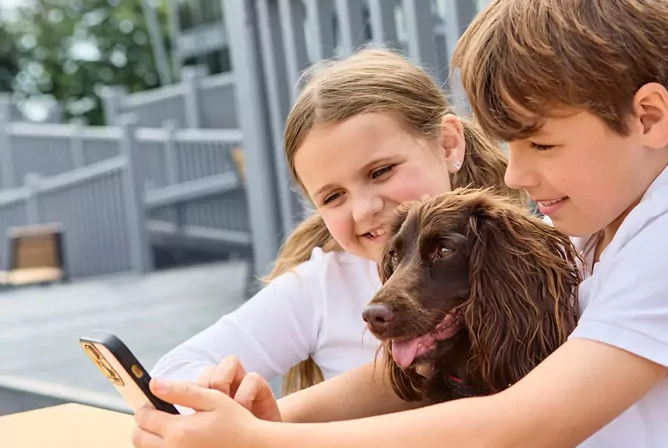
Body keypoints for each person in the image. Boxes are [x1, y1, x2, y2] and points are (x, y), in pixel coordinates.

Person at [131, 0, 668, 448]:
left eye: (542, 144)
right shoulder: (587, 234)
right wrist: (279, 420)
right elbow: (415, 367)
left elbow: (525, 424)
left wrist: (266, 447)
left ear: (647, 117)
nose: (518, 175)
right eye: (512, 144)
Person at [149, 47, 519, 399]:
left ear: (448, 144)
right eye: (333, 197)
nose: (363, 210)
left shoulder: (531, 257)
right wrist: (220, 390)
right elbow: (173, 373)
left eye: (381, 171)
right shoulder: (322, 288)